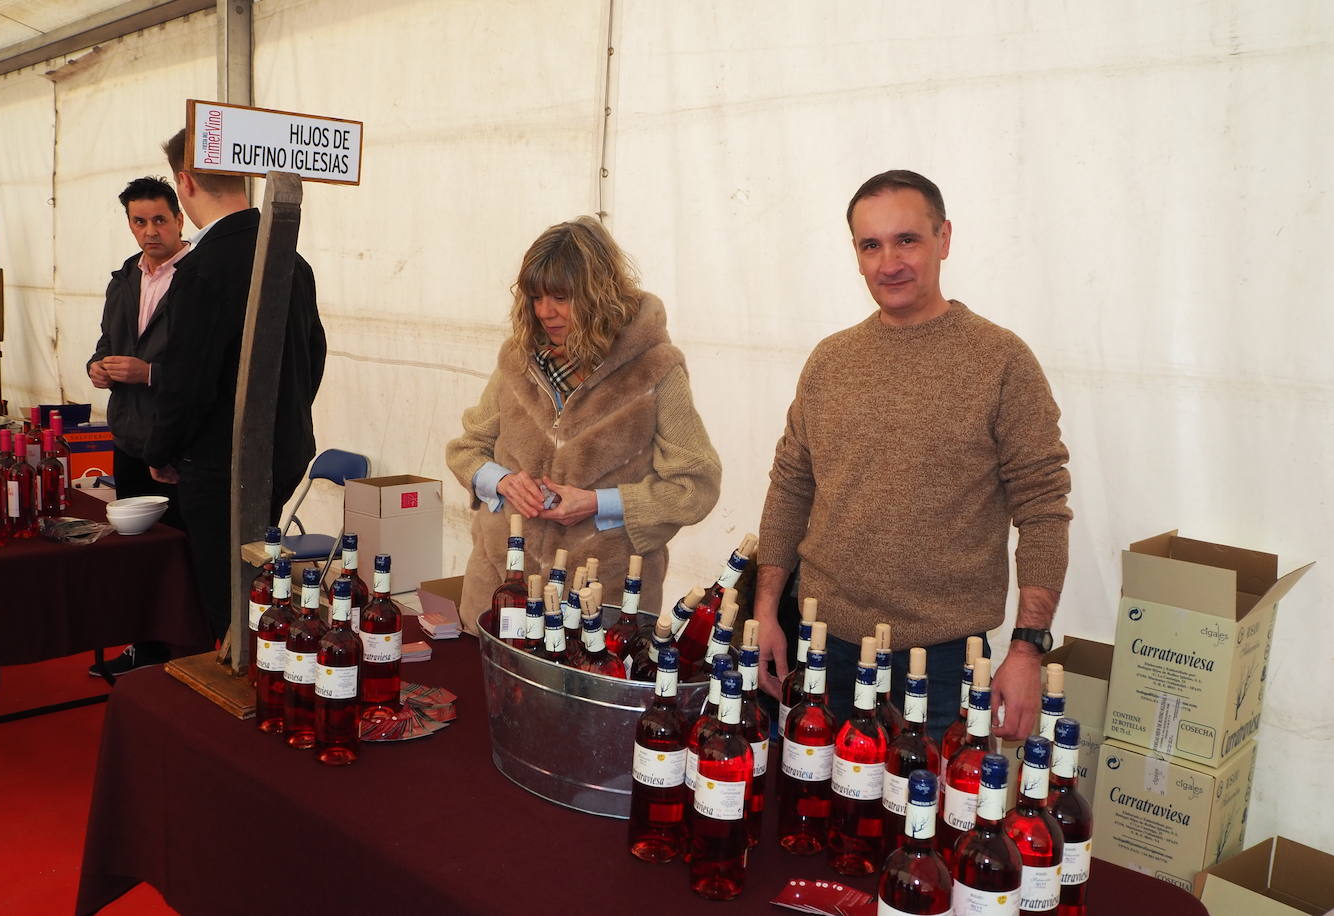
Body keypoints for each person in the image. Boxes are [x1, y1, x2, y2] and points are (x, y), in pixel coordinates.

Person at [753, 170, 1071, 742]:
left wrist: (1027, 649)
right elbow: (790, 488)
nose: (888, 262)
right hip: (823, 647)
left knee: (923, 824)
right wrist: (768, 611)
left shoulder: (1001, 362)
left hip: (944, 665)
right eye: (870, 245)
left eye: (907, 240)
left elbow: (1043, 508)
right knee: (817, 812)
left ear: (944, 239)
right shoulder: (829, 362)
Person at [446, 216, 721, 629]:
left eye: (560, 297)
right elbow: (467, 449)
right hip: (501, 592)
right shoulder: (518, 359)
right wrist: (502, 481)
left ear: (598, 293)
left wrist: (597, 504)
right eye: (535, 297)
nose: (545, 312)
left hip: (601, 604)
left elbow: (694, 486)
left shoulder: (655, 369)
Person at [144, 128, 327, 642]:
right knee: (261, 587)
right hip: (282, 452)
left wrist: (162, 448)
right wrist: (283, 420)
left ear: (184, 182)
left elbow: (188, 380)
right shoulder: (292, 259)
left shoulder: (204, 267)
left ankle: (250, 682)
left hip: (220, 462)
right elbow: (312, 356)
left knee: (230, 602)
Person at [85, 176, 193, 675]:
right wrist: (97, 366)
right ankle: (145, 651)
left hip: (178, 438)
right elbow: (107, 340)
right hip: (128, 435)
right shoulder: (124, 278)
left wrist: (150, 373)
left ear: (179, 218)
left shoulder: (198, 277)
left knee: (181, 555)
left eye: (159, 220)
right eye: (139, 221)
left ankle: (188, 655)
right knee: (138, 554)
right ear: (129, 224)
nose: (150, 231)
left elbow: (216, 368)